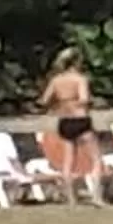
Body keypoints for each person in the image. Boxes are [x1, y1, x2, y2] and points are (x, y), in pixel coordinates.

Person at [36, 47, 102, 202]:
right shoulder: (80, 79)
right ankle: (97, 197)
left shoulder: (56, 80)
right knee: (96, 159)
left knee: (68, 161)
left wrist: (61, 103)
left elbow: (44, 101)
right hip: (80, 119)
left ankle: (71, 198)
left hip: (64, 121)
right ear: (77, 62)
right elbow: (84, 99)